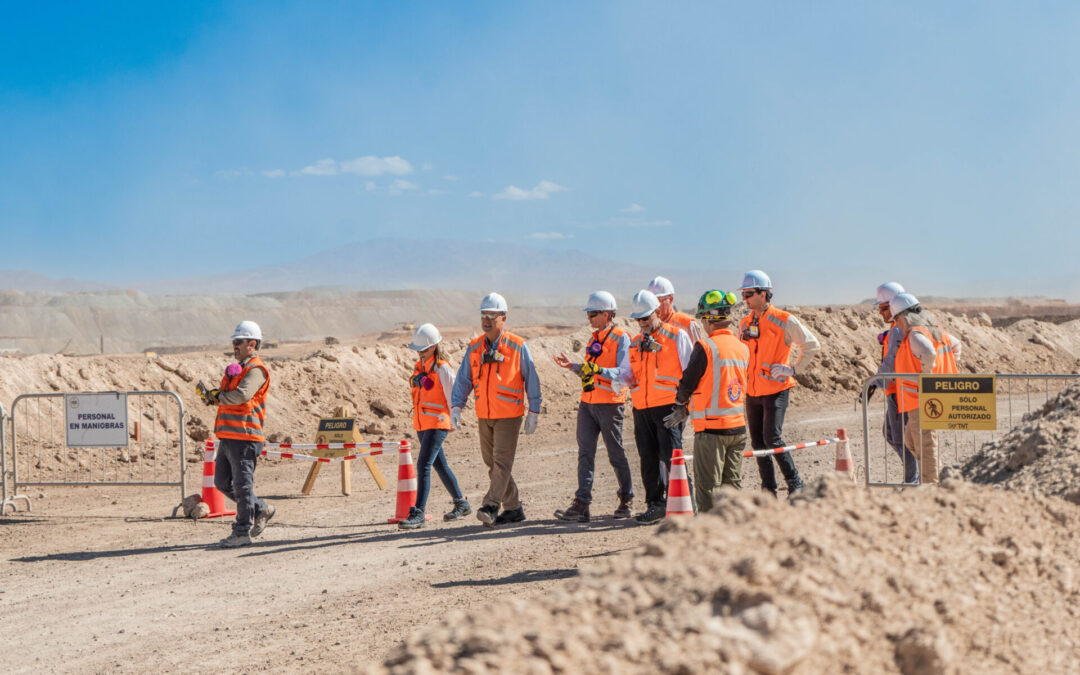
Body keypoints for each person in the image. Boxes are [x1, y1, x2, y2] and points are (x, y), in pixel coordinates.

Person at [451, 293, 542, 527]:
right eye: (484, 315)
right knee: (492, 464)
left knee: (501, 463)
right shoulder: (474, 347)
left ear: (503, 317)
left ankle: (490, 505)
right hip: (484, 414)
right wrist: (456, 405)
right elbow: (464, 379)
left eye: (492, 315)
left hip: (509, 415)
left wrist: (534, 410)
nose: (487, 319)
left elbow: (531, 378)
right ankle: (514, 508)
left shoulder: (517, 345)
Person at [552, 291, 635, 522]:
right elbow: (591, 369)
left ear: (607, 314)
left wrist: (599, 371)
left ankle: (626, 499)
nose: (589, 318)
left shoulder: (622, 338)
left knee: (615, 453)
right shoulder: (593, 339)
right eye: (588, 314)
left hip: (610, 404)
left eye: (593, 313)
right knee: (585, 454)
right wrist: (573, 366)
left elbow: (625, 373)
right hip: (588, 403)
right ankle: (582, 504)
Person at [737, 270, 820, 498]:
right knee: (758, 443)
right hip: (752, 391)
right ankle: (769, 490)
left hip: (776, 389)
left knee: (772, 438)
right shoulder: (745, 323)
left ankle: (795, 482)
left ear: (764, 294)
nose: (745, 299)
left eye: (749, 294)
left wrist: (792, 369)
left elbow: (811, 345)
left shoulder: (784, 319)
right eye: (743, 294)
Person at [664, 290, 749, 512]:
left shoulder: (705, 347)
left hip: (712, 430)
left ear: (708, 319)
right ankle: (736, 535)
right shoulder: (742, 348)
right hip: (738, 428)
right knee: (732, 489)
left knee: (708, 490)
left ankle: (709, 539)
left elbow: (687, 383)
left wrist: (681, 405)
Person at [627, 289, 694, 524]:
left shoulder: (677, 336)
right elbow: (627, 372)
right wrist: (616, 379)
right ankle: (655, 504)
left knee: (672, 457)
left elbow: (689, 374)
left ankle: (688, 504)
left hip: (668, 408)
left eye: (645, 318)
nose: (642, 323)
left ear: (657, 312)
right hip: (642, 408)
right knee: (647, 459)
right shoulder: (635, 343)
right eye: (638, 319)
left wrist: (684, 406)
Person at [206, 321, 274, 548]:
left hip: (245, 437)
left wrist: (218, 397)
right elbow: (230, 396)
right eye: (233, 342)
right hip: (228, 436)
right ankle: (261, 508)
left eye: (238, 342)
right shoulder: (240, 369)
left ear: (251, 344)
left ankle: (242, 532)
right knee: (222, 483)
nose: (234, 346)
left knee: (243, 487)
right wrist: (213, 395)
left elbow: (242, 396)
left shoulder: (256, 370)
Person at [398, 323, 471, 529]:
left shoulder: (443, 368)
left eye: (423, 349)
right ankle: (461, 503)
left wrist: (455, 419)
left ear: (434, 347)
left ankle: (418, 512)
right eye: (418, 350)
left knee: (423, 466)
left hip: (438, 422)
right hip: (422, 422)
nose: (420, 353)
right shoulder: (420, 367)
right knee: (439, 464)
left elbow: (454, 396)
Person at [890, 293, 962, 485]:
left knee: (925, 444)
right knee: (911, 441)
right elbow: (956, 346)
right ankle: (934, 475)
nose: (896, 324)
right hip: (929, 397)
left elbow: (929, 353)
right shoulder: (934, 330)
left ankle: (931, 485)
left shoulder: (915, 334)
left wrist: (927, 376)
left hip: (923, 399)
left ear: (904, 317)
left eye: (896, 319)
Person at [865, 282, 919, 484]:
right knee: (890, 433)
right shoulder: (896, 329)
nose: (880, 313)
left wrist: (873, 383)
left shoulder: (898, 329)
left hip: (900, 392)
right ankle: (917, 475)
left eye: (883, 308)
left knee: (900, 439)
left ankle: (913, 480)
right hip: (896, 390)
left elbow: (890, 362)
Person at [647, 276, 702, 341]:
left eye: (658, 300)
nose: (655, 306)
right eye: (651, 301)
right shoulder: (647, 326)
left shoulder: (688, 326)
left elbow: (698, 350)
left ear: (670, 299)